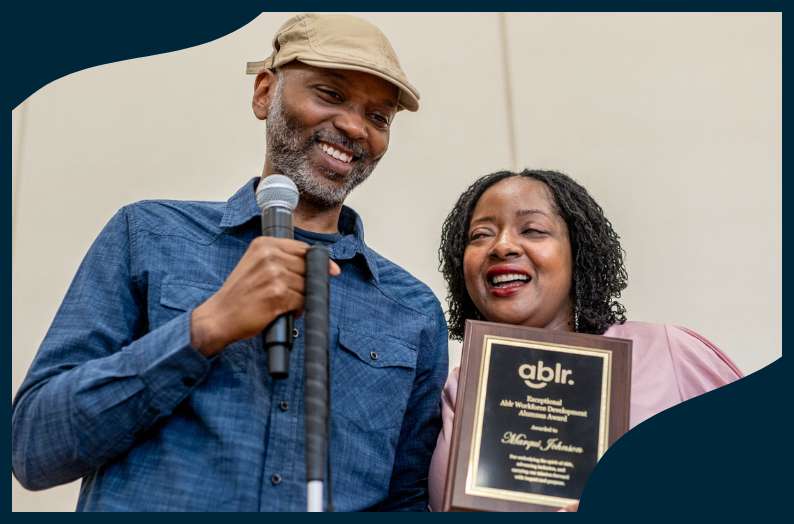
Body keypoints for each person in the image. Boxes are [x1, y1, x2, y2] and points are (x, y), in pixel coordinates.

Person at [12, 13, 448, 511]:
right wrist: (205, 327)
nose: (353, 126)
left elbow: (407, 501)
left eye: (379, 117)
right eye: (329, 93)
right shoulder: (148, 235)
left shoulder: (413, 310)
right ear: (265, 93)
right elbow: (33, 450)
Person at [427, 169, 742, 511]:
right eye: (480, 235)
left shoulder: (668, 353)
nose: (501, 246)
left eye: (532, 230)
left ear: (578, 252)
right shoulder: (459, 390)